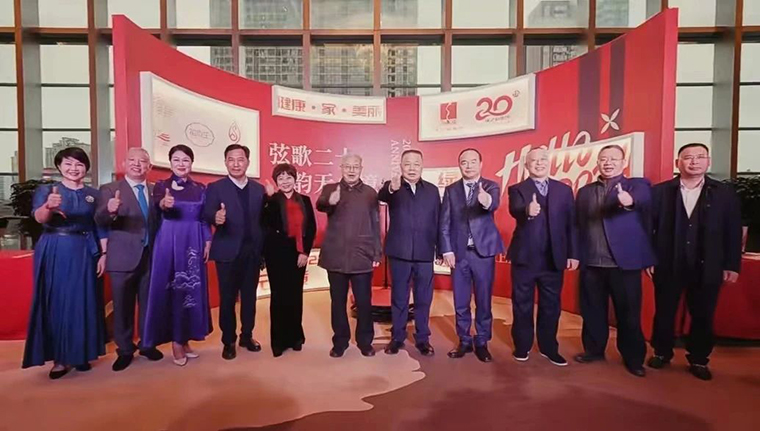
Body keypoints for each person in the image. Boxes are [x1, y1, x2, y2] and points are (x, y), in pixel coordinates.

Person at [647, 143, 742, 381]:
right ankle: (661, 352)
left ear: (708, 162)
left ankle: (699, 359)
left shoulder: (723, 193)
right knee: (665, 311)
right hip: (668, 262)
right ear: (678, 162)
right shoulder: (660, 192)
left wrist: (732, 264)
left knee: (703, 314)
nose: (694, 161)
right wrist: (648, 258)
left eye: (700, 157)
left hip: (708, 264)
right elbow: (649, 229)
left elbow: (732, 231)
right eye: (688, 157)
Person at [22, 147, 107, 379]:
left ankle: (81, 354)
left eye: (79, 164)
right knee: (58, 301)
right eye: (68, 163)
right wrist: (48, 206)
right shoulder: (47, 190)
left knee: (84, 301)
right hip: (56, 248)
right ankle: (60, 358)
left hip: (85, 250)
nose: (74, 168)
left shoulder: (93, 194)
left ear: (86, 168)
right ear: (59, 166)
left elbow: (100, 225)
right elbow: (39, 218)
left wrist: (104, 253)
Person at [574, 144, 656, 377]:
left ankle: (633, 358)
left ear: (623, 162)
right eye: (603, 159)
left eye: (613, 159)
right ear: (598, 163)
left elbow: (641, 199)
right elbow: (577, 225)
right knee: (592, 311)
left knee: (628, 314)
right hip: (591, 263)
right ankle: (593, 350)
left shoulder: (636, 185)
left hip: (624, 264)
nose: (608, 163)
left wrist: (628, 200)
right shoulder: (585, 191)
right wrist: (575, 254)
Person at [507, 146, 578, 366]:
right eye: (534, 160)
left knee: (551, 306)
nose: (539, 163)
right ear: (527, 165)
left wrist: (573, 253)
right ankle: (522, 346)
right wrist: (527, 211)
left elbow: (572, 224)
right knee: (522, 304)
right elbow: (515, 209)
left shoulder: (564, 190)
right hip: (525, 258)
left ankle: (549, 347)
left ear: (549, 162)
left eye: (543, 159)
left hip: (553, 258)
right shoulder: (517, 189)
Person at [143, 144, 212, 366]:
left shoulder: (200, 188)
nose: (181, 164)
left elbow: (203, 218)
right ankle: (175, 342)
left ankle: (185, 339)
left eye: (185, 160)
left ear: (191, 163)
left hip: (194, 240)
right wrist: (165, 203)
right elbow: (159, 206)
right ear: (170, 162)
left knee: (191, 290)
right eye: (176, 159)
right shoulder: (161, 186)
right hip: (169, 241)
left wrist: (208, 240)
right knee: (173, 290)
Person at [95, 147, 164, 372]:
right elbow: (99, 220)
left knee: (148, 304)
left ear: (149, 167)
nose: (137, 164)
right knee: (122, 306)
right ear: (124, 164)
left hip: (150, 257)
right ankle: (124, 350)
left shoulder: (155, 191)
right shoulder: (110, 189)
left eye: (142, 161)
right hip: (122, 257)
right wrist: (110, 210)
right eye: (132, 160)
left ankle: (147, 344)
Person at [440, 148, 504, 363]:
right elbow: (445, 222)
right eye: (464, 162)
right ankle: (464, 340)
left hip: (483, 253)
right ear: (459, 165)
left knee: (484, 300)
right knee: (460, 300)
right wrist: (447, 250)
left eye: (473, 161)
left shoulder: (491, 186)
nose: (468, 166)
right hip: (459, 254)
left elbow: (493, 204)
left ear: (481, 164)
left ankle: (482, 341)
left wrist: (485, 200)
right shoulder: (451, 190)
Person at [204, 144, 266, 360]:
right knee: (228, 299)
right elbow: (207, 212)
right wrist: (215, 217)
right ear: (225, 162)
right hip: (227, 252)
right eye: (231, 159)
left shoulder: (259, 189)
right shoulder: (215, 187)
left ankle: (247, 336)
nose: (236, 164)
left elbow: (264, 221)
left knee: (249, 298)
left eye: (240, 159)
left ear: (248, 162)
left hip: (252, 253)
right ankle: (228, 340)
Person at [317, 153, 382, 358]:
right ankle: (340, 342)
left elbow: (375, 223)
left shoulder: (370, 193)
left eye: (355, 166)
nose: (351, 170)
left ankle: (365, 342)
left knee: (364, 302)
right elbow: (320, 205)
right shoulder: (330, 189)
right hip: (336, 255)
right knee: (337, 302)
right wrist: (330, 201)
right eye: (347, 166)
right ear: (341, 168)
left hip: (362, 254)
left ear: (361, 168)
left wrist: (376, 252)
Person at [378, 149, 440, 356]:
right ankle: (397, 337)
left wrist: (441, 249)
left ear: (422, 166)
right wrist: (391, 188)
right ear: (401, 166)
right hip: (399, 252)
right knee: (399, 297)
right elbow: (381, 195)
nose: (412, 168)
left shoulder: (432, 190)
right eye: (407, 164)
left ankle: (423, 339)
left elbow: (438, 220)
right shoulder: (393, 188)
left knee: (424, 298)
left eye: (416, 164)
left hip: (424, 252)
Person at [262, 163, 317, 357]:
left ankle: (295, 337)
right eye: (281, 178)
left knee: (295, 296)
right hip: (276, 254)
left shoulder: (305, 200)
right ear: (276, 182)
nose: (285, 181)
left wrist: (305, 252)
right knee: (278, 297)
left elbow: (311, 228)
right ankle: (278, 342)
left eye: (288, 177)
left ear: (295, 179)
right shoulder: (271, 200)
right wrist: (269, 199)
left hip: (298, 254)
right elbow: (265, 223)